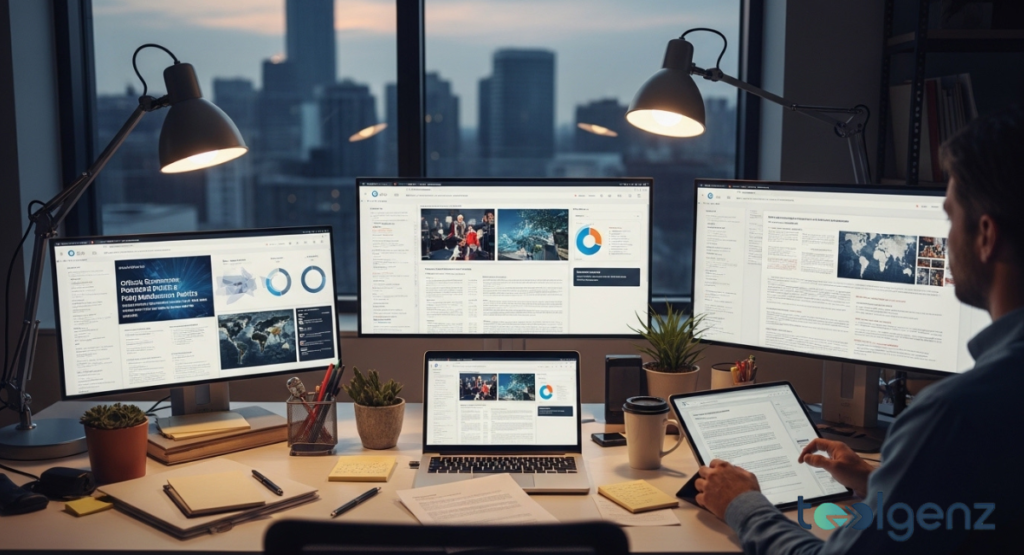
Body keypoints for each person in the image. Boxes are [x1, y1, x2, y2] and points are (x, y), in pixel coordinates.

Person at [694, 105, 1024, 553]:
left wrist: (744, 504)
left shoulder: (954, 417)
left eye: (948, 218)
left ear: (986, 235)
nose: (945, 241)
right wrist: (880, 479)